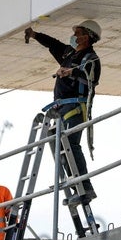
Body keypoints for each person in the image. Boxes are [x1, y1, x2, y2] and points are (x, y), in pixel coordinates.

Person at [24, 20, 102, 205]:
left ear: (88, 37)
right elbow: (54, 44)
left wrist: (71, 73)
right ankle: (77, 188)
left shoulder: (91, 58)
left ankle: (86, 188)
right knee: (62, 149)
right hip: (62, 108)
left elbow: (91, 81)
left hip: (76, 106)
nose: (74, 36)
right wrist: (35, 35)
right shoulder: (69, 53)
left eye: (78, 33)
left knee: (71, 146)